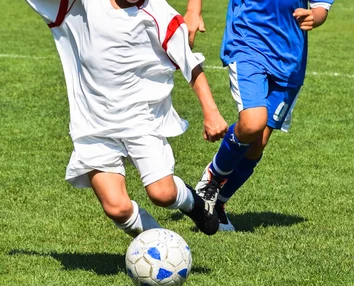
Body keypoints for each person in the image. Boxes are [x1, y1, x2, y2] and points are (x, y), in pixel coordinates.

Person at [24, 0, 228, 237]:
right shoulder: (82, 5)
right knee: (116, 208)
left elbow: (190, 65)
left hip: (141, 120)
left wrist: (211, 112)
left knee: (163, 194)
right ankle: (161, 246)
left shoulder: (160, 14)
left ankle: (193, 202)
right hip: (93, 124)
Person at [194, 0, 334, 231]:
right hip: (248, 42)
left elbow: (321, 8)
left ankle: (217, 204)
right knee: (252, 123)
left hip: (290, 60)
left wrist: (314, 16)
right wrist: (193, 10)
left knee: (258, 143)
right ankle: (212, 178)